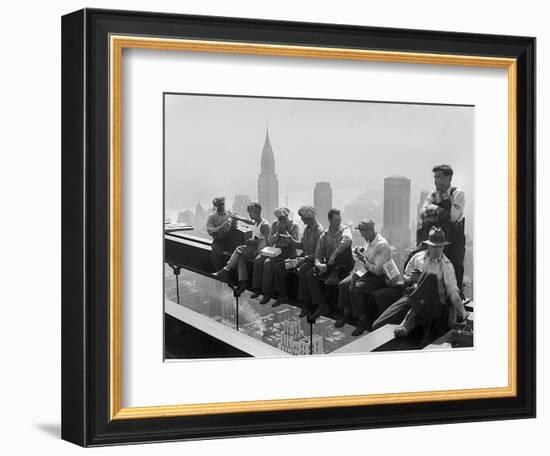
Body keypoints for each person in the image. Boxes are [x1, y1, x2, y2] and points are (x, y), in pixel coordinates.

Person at [371, 227, 470, 341]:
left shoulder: (446, 265)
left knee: (430, 277)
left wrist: (463, 312)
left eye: (440, 247)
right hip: (412, 297)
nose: (437, 250)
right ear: (428, 245)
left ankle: (408, 322)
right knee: (377, 325)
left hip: (432, 302)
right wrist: (410, 279)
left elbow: (453, 292)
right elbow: (405, 277)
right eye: (434, 246)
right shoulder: (417, 257)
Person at [337, 220, 392, 336]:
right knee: (343, 284)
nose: (361, 234)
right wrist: (361, 251)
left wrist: (364, 260)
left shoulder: (382, 245)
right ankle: (346, 313)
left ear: (370, 230)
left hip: (378, 278)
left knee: (355, 287)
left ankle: (362, 319)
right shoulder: (368, 241)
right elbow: (368, 256)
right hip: (365, 271)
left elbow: (378, 271)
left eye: (363, 231)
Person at [418, 164, 466, 295]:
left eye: (438, 177)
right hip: (437, 237)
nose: (435, 180)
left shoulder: (457, 194)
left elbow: (453, 216)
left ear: (448, 178)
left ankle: (456, 299)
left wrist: (433, 209)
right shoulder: (432, 195)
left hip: (454, 238)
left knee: (455, 266)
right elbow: (422, 213)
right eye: (435, 177)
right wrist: (437, 209)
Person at [303, 209, 354, 320]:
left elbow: (347, 240)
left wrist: (334, 254)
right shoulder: (324, 235)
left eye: (339, 220)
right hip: (331, 264)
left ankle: (334, 273)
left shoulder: (345, 229)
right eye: (336, 220)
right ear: (330, 220)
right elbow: (318, 255)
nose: (338, 222)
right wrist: (319, 265)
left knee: (344, 249)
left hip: (343, 263)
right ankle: (321, 304)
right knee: (309, 274)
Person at [270, 205, 324, 310]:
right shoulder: (307, 229)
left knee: (303, 271)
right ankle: (283, 294)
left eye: (303, 217)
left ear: (309, 218)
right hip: (303, 258)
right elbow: (301, 245)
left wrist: (305, 258)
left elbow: (319, 253)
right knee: (280, 267)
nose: (301, 219)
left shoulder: (319, 231)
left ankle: (305, 302)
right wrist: (290, 240)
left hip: (311, 260)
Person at [212, 202, 271, 296]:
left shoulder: (265, 225)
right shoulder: (257, 221)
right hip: (255, 249)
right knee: (240, 257)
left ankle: (225, 270)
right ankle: (243, 282)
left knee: (239, 249)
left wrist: (255, 241)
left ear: (255, 212)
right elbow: (249, 221)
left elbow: (268, 243)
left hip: (260, 252)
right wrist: (238, 218)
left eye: (250, 213)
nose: (249, 214)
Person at [250, 207, 300, 305]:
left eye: (283, 219)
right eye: (279, 219)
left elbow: (297, 245)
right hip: (276, 252)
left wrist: (286, 234)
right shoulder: (274, 224)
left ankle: (279, 294)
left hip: (290, 255)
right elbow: (270, 242)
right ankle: (259, 288)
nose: (281, 221)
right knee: (259, 260)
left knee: (272, 266)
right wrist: (277, 234)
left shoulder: (294, 226)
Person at [206, 196, 235, 271]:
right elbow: (209, 230)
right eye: (219, 205)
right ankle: (219, 270)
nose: (222, 206)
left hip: (230, 240)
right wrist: (221, 227)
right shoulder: (212, 216)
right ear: (216, 206)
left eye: (223, 204)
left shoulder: (229, 214)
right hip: (219, 240)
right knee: (215, 252)